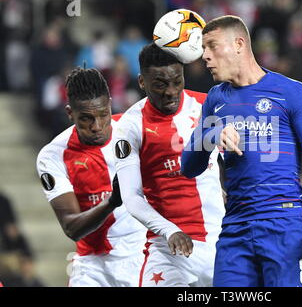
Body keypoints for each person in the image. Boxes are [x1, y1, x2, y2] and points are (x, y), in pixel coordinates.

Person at [181, 15, 302, 287]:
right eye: (203, 49)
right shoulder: (215, 99)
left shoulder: (292, 93)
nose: (205, 57)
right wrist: (212, 135)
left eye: (211, 46)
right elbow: (188, 166)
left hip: (285, 221)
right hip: (235, 227)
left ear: (238, 44)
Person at [112, 43, 225, 287]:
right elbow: (131, 197)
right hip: (167, 247)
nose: (171, 92)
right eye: (160, 84)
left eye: (177, 81)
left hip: (220, 242)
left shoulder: (209, 107)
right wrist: (169, 230)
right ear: (142, 82)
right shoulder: (130, 126)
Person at [36, 67, 147, 287]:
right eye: (86, 118)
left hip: (142, 256)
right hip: (91, 266)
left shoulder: (135, 132)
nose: (97, 127)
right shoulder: (53, 156)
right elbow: (71, 228)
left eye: (103, 115)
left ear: (110, 105)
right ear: (70, 113)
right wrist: (112, 202)